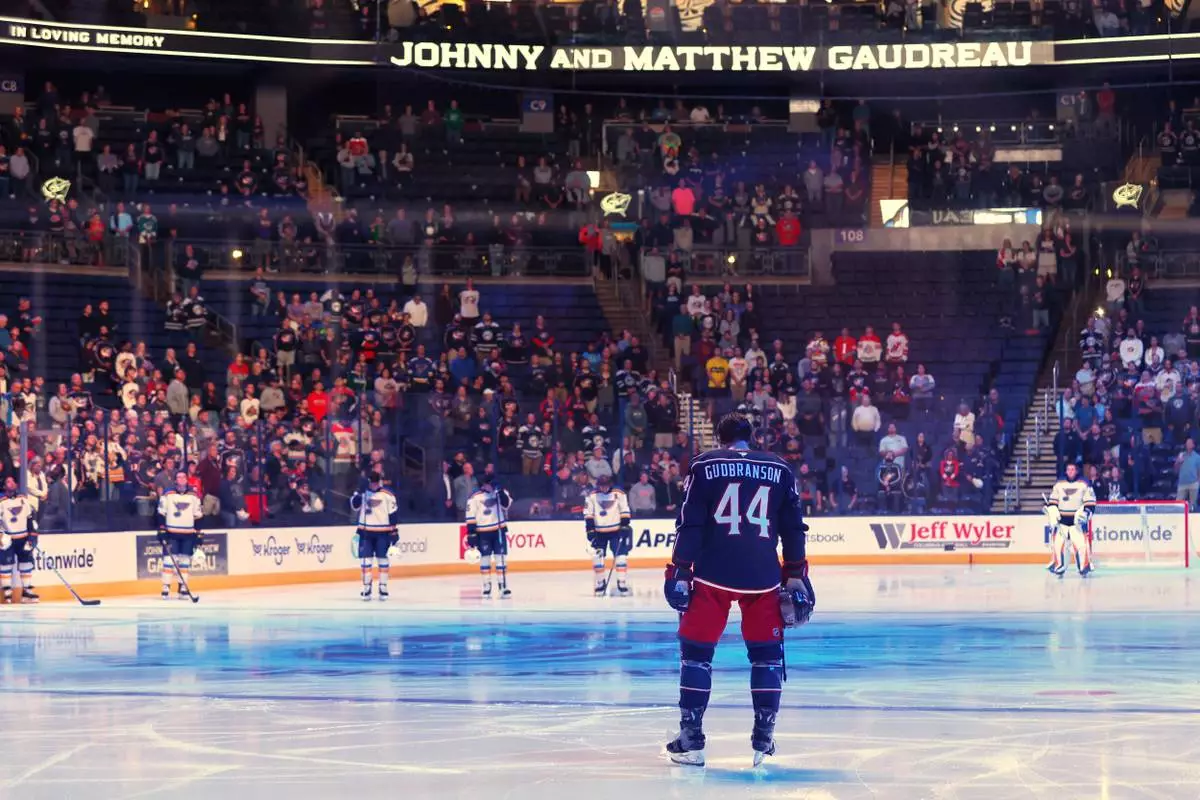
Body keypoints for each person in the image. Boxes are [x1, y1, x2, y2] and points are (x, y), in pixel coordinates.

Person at [663, 413, 814, 767]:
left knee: (697, 655)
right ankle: (763, 738)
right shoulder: (780, 468)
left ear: (719, 437)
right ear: (751, 436)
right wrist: (795, 574)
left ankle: (692, 739)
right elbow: (794, 529)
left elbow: (691, 524)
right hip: (763, 577)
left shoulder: (704, 465)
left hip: (712, 573)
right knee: (767, 658)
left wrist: (680, 570)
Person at [350, 471, 399, 601]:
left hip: (383, 531)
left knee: (383, 559)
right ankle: (367, 586)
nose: (373, 484)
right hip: (365, 530)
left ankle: (383, 586)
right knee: (365, 560)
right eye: (371, 482)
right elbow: (354, 506)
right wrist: (360, 494)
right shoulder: (362, 493)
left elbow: (393, 514)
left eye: (375, 481)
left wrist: (394, 531)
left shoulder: (388, 495)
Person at [155, 470, 203, 600]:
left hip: (188, 533)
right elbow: (161, 512)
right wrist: (161, 529)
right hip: (171, 532)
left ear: (187, 479)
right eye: (178, 477)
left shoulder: (194, 495)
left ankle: (183, 587)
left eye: (183, 477)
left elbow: (198, 515)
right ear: (175, 480)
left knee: (185, 562)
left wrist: (198, 533)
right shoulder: (168, 494)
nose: (181, 479)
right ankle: (166, 586)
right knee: (168, 561)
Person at [584, 473, 633, 596]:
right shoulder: (592, 496)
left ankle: (621, 583)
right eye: (601, 485)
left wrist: (625, 525)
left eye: (605, 485)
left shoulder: (619, 493)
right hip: (599, 532)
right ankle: (600, 583)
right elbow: (588, 514)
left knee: (621, 557)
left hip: (615, 531)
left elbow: (625, 509)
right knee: (598, 558)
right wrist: (590, 531)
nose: (603, 488)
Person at [1045, 462, 1096, 578]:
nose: (1071, 471)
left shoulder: (1084, 484)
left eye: (1073, 469)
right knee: (1057, 545)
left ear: (1076, 471)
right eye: (1069, 469)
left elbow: (1091, 502)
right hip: (1062, 521)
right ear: (1066, 471)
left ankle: (1084, 567)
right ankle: (1059, 566)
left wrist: (1086, 513)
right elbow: (1052, 502)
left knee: (1081, 546)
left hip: (1076, 523)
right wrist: (1052, 512)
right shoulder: (1059, 484)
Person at [465, 475, 513, 598]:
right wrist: (472, 536)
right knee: (485, 559)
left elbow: (506, 505)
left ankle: (503, 586)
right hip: (483, 532)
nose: (491, 486)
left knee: (500, 558)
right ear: (484, 484)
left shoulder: (499, 493)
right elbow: (470, 518)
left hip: (498, 530)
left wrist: (499, 491)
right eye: (489, 484)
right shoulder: (474, 497)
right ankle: (487, 586)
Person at [0, 477, 38, 604]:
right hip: (8, 538)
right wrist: (1, 535)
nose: (11, 483)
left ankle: (26, 592)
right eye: (8, 482)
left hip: (23, 538)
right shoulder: (1, 503)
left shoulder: (23, 500)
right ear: (4, 486)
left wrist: (32, 537)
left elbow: (30, 519)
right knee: (6, 563)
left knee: (26, 563)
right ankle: (7, 591)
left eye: (13, 481)